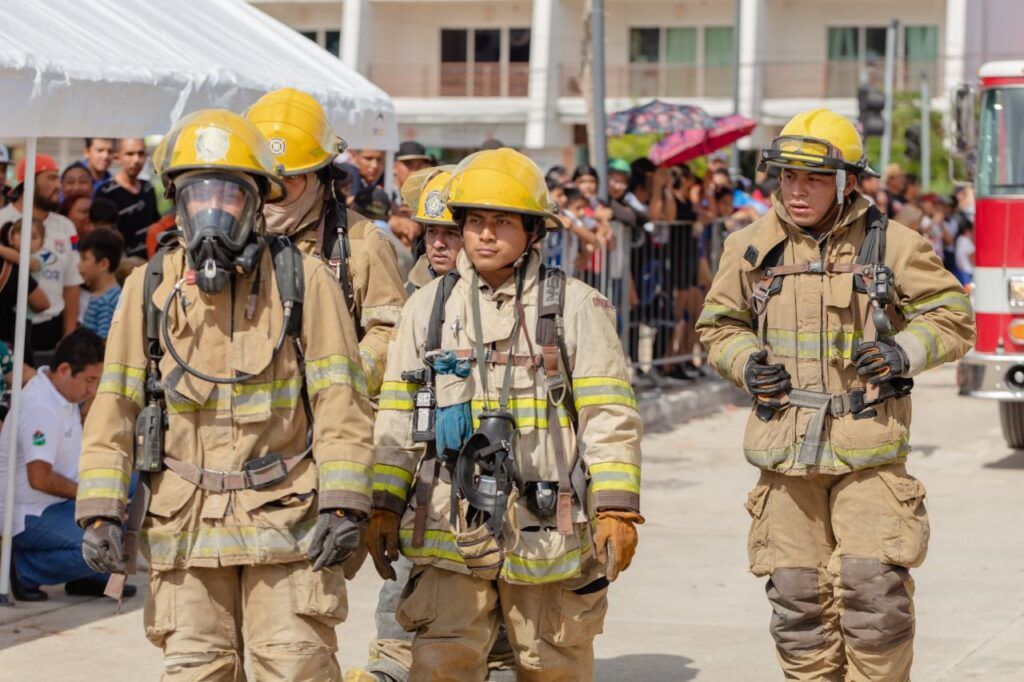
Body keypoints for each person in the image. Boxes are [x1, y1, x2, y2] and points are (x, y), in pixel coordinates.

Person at [74, 109, 375, 680]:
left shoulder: (305, 281)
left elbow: (342, 403)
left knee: (296, 668)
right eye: (197, 195)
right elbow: (113, 408)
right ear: (178, 204)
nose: (212, 210)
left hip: (288, 526)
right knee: (195, 671)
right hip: (186, 529)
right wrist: (100, 512)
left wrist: (344, 502)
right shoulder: (150, 288)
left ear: (255, 201)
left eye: (228, 195)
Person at [697, 108, 975, 680]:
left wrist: (904, 351)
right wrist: (747, 364)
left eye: (815, 179)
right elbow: (717, 325)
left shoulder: (894, 245)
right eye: (788, 177)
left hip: (867, 449)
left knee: (875, 601)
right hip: (784, 452)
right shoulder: (749, 248)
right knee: (797, 604)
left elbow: (953, 316)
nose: (798, 191)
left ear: (847, 181)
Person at [366, 148, 644, 680]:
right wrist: (383, 500)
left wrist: (615, 507)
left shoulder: (576, 307)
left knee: (550, 664)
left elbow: (609, 414)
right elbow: (398, 416)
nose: (485, 235)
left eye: (502, 222)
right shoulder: (427, 310)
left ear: (534, 231)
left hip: (547, 532)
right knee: (442, 663)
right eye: (474, 222)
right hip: (448, 528)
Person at [246, 87, 408, 398]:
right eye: (266, 177)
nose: (275, 190)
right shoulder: (237, 238)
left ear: (320, 175)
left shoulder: (362, 242)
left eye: (291, 178)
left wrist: (342, 378)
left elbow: (390, 332)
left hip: (329, 415)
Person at [0, 329, 125, 601]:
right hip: (29, 512)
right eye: (89, 380)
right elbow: (40, 479)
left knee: (129, 490)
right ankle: (24, 571)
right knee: (103, 546)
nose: (92, 389)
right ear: (65, 370)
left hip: (56, 504)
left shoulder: (62, 393)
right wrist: (95, 499)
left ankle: (88, 576)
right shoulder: (40, 406)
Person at [0, 155, 84, 352]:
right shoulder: (3, 220)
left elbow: (72, 284)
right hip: (8, 328)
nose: (59, 185)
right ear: (29, 182)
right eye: (51, 178)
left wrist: (68, 334)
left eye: (58, 178)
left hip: (51, 328)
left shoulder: (66, 226)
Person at [94, 138, 160, 258]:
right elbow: (101, 236)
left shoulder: (148, 188)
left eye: (141, 154)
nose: (136, 160)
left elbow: (156, 226)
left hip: (151, 264)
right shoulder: (106, 192)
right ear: (117, 157)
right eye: (130, 154)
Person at [402, 166, 463, 293]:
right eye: (432, 232)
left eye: (451, 233)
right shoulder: (407, 293)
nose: (438, 244)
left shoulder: (488, 294)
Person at [0, 220, 50, 363]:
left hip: (25, 314)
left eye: (34, 237)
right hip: (10, 311)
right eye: (22, 234)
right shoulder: (10, 256)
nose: (27, 240)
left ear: (41, 244)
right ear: (12, 238)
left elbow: (24, 262)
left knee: (23, 346)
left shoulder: (37, 259)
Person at [77, 228, 123, 339]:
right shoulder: (102, 295)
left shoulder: (106, 302)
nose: (78, 265)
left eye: (84, 259)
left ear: (103, 264)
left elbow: (103, 342)